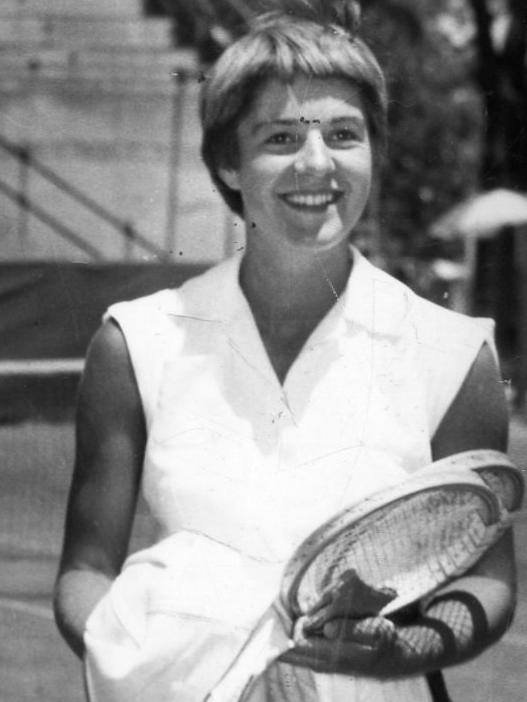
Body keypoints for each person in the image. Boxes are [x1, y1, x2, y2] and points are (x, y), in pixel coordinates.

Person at [54, 2, 517, 701]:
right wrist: (160, 663)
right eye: (278, 138)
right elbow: (85, 571)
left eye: (342, 134)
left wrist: (392, 654)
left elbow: (487, 581)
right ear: (227, 164)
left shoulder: (452, 353)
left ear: (373, 153)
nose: (315, 163)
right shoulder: (135, 343)